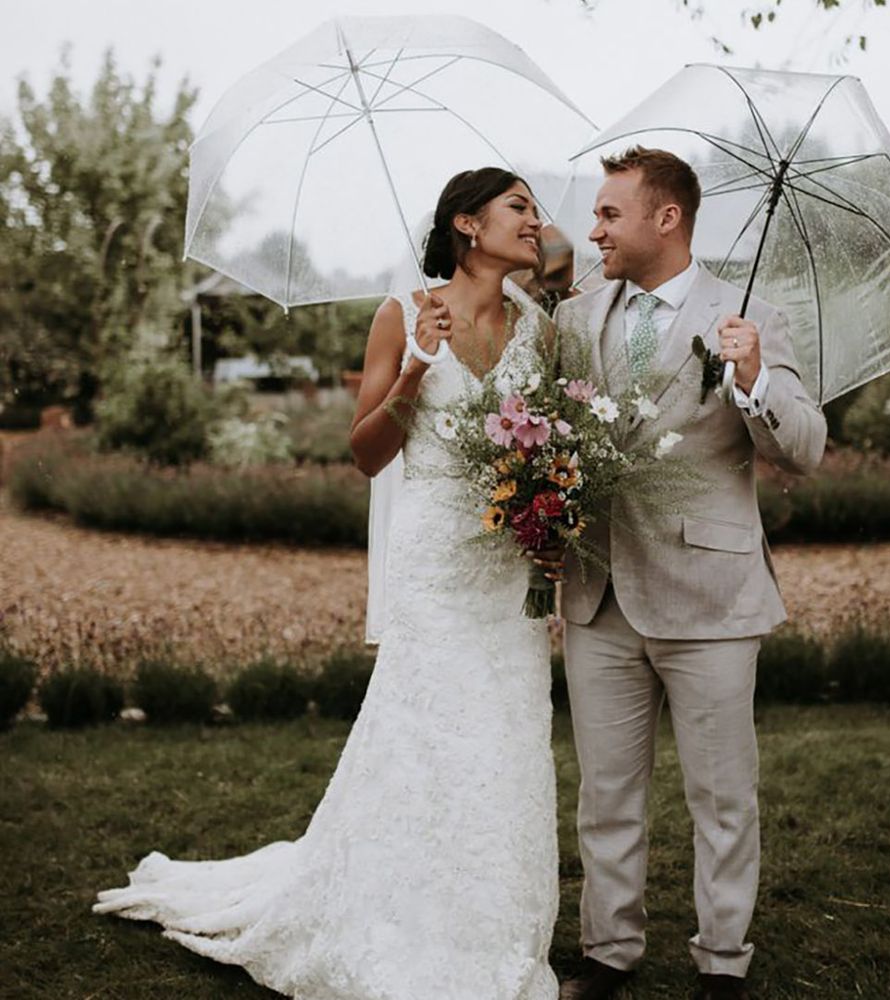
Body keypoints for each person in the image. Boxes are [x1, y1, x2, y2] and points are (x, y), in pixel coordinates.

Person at [94, 168, 562, 1000]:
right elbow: (366, 452)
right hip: (434, 570)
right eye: (520, 207)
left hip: (504, 572)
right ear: (467, 222)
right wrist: (416, 368)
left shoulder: (539, 329)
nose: (538, 222)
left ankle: (491, 923)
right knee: (425, 742)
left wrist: (549, 512)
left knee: (505, 743)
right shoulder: (402, 314)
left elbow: (542, 447)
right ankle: (399, 916)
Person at [554, 147, 827, 1000]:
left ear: (664, 219)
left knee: (722, 797)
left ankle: (722, 962)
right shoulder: (576, 316)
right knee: (605, 794)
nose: (592, 229)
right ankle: (609, 950)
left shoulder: (751, 317)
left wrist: (750, 376)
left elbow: (805, 448)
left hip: (710, 595)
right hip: (597, 595)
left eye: (608, 214)